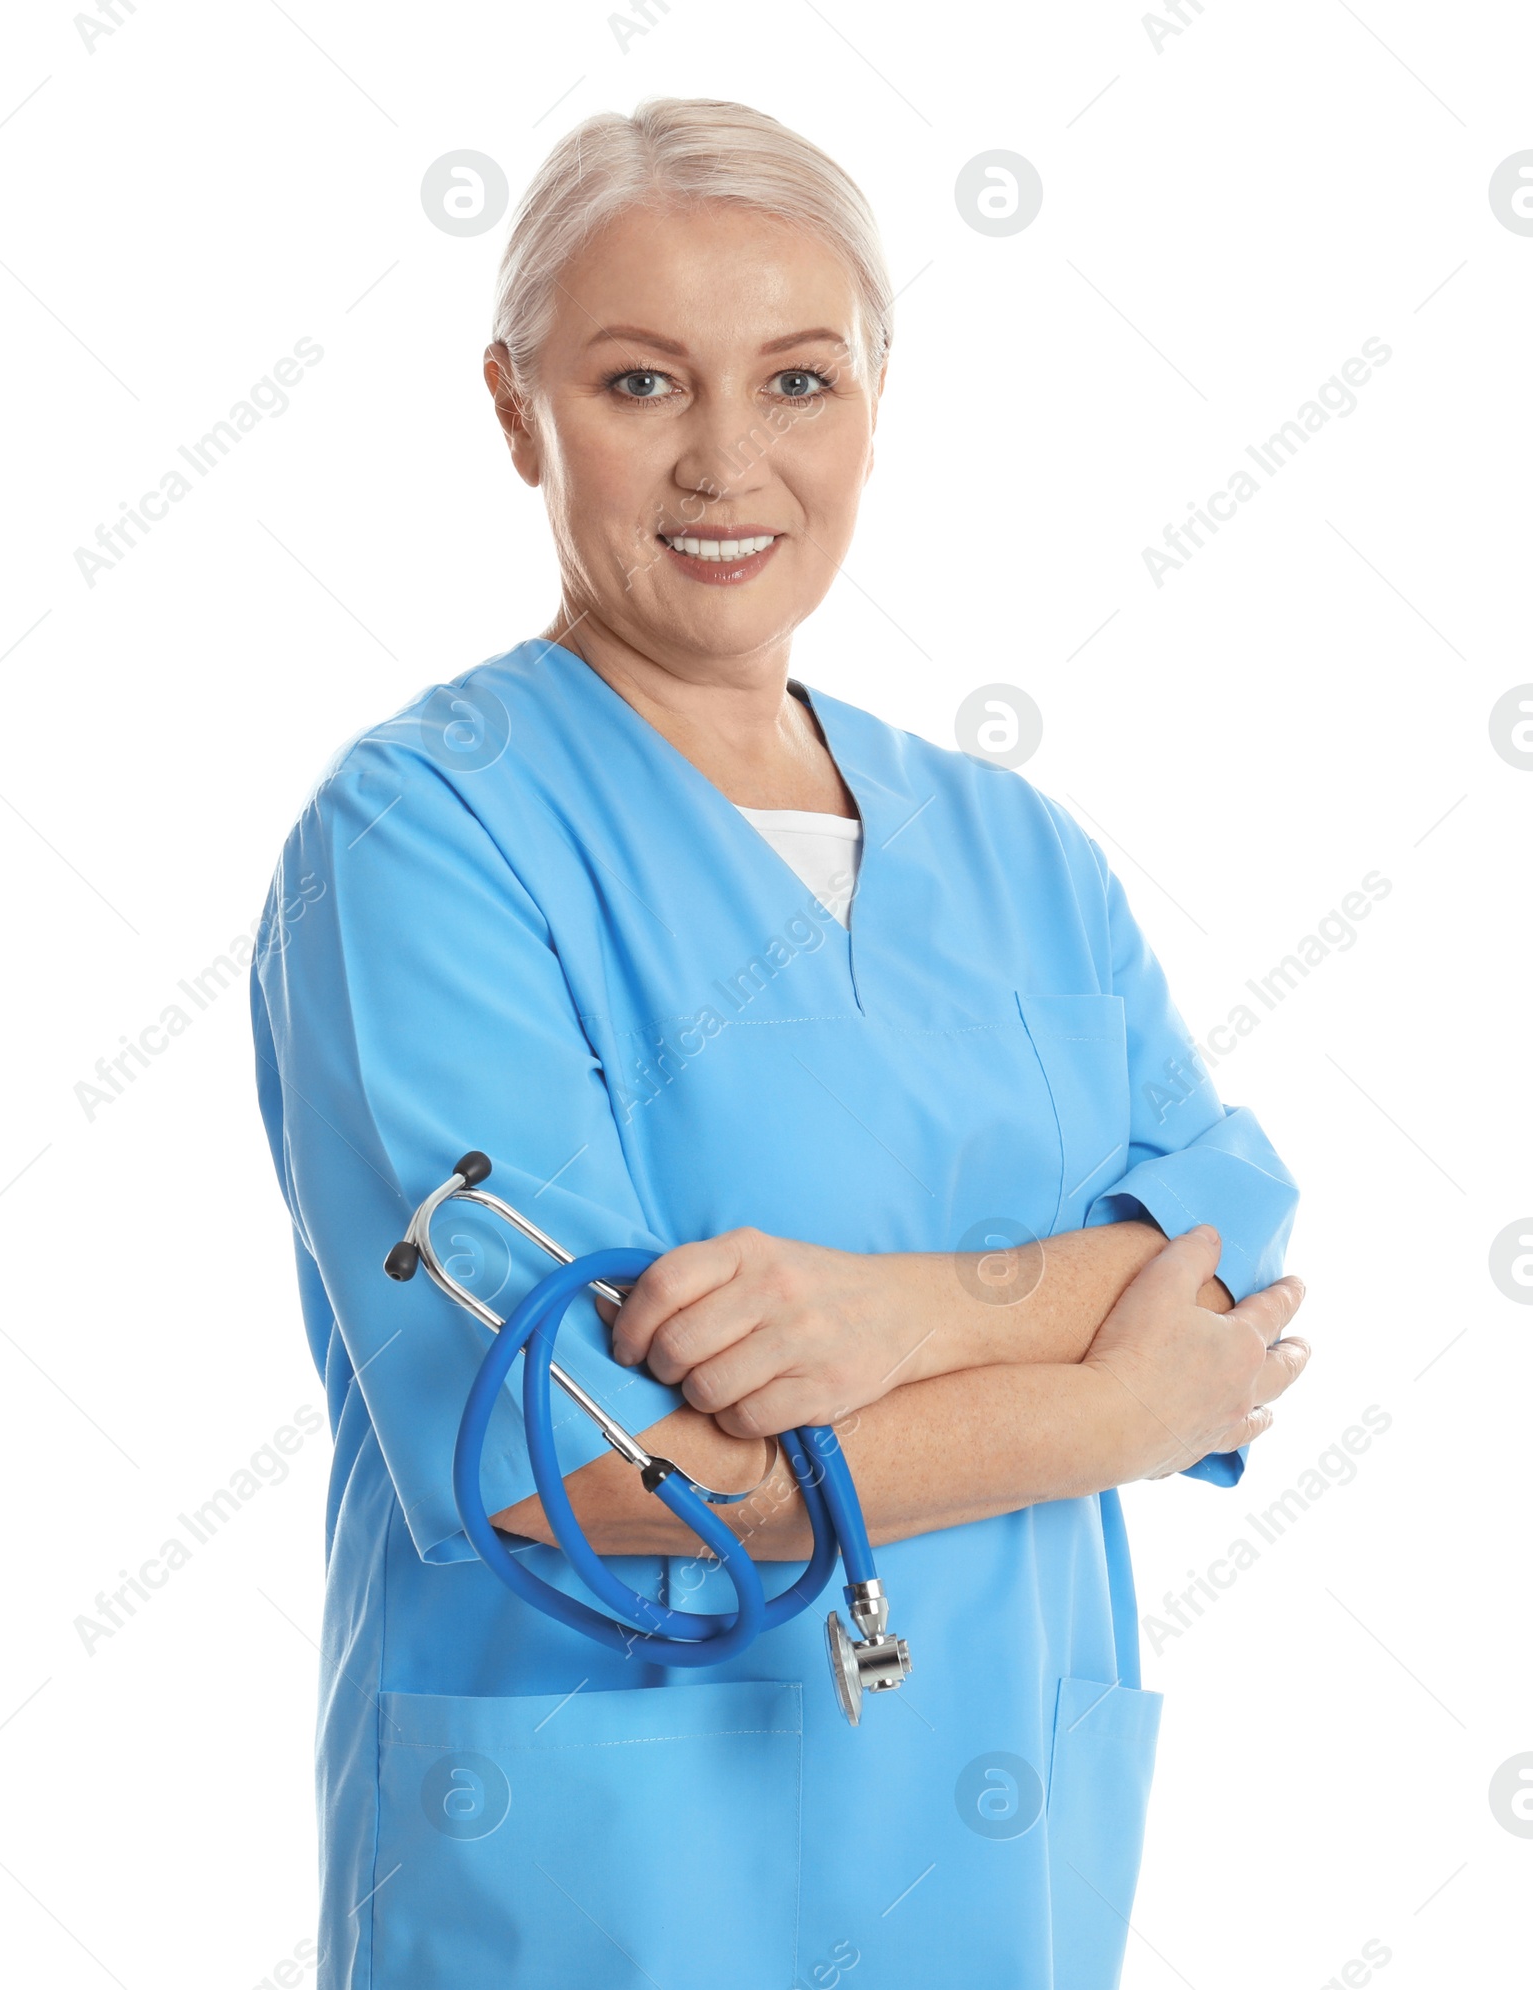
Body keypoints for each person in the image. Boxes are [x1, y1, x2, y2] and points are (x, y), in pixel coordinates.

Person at [251, 95, 1309, 1990]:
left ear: (880, 403)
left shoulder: (1015, 851)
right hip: (606, 1896)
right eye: (643, 380)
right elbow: (573, 1459)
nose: (727, 461)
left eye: (799, 381)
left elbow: (1224, 1241)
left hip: (1004, 1873)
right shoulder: (429, 834)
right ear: (516, 410)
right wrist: (1112, 1405)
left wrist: (898, 1319)